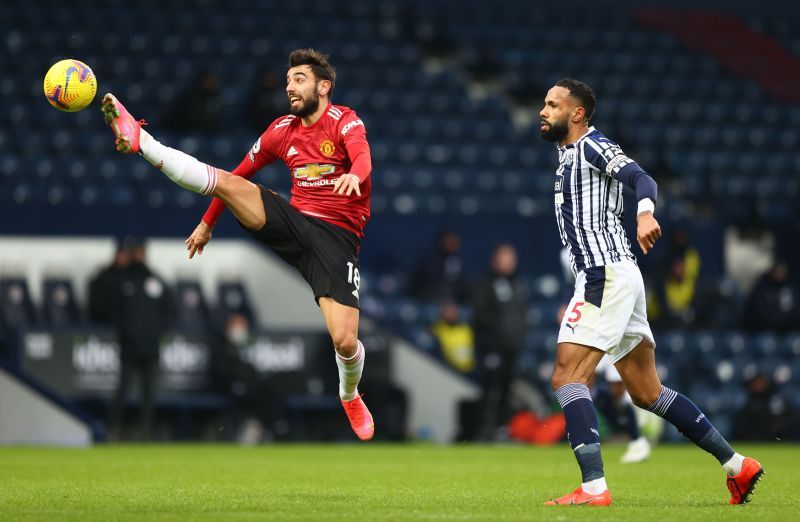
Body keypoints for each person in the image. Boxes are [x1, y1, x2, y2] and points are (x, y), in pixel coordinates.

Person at [100, 48, 375, 441]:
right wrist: (207, 222)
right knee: (231, 183)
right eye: (288, 81)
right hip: (294, 224)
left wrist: (356, 177)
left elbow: (363, 158)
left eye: (299, 79)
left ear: (323, 86)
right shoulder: (281, 130)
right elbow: (236, 176)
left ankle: (349, 394)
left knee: (345, 340)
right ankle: (142, 141)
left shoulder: (344, 120)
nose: (290, 87)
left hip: (337, 239)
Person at [538, 79, 762, 506]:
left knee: (568, 375)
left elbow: (641, 177)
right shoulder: (567, 154)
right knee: (646, 392)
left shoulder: (591, 146)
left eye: (553, 104)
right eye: (544, 104)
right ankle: (737, 465)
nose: (543, 111)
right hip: (620, 274)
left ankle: (593, 488)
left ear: (578, 113)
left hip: (604, 273)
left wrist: (644, 214)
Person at [556, 247, 652, 463]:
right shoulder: (566, 254)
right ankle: (591, 440)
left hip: (611, 315)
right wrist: (566, 305)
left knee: (617, 389)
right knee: (580, 382)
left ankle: (634, 436)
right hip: (588, 319)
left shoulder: (607, 244)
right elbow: (573, 283)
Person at [109, 238, 172, 441]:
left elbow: (168, 311)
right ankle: (115, 430)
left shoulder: (155, 281)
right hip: (129, 346)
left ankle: (147, 431)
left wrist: (156, 333)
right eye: (135, 251)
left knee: (148, 393)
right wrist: (126, 333)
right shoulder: (122, 281)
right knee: (123, 390)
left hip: (150, 346)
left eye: (141, 251)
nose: (138, 255)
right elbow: (114, 313)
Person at [471, 243, 528, 441]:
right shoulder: (484, 283)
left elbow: (521, 316)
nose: (509, 262)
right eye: (505, 258)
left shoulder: (517, 284)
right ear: (495, 260)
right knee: (489, 391)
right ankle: (482, 432)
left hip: (512, 350)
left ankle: (502, 430)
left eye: (511, 258)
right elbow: (480, 316)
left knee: (506, 391)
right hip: (491, 349)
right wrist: (491, 343)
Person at [88, 237, 131, 325]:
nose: (124, 257)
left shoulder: (135, 277)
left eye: (127, 254)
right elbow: (96, 306)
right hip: (106, 325)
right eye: (121, 253)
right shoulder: (104, 277)